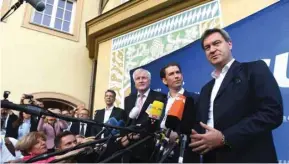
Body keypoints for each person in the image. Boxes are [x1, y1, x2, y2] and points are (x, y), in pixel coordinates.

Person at [189, 28, 283, 162]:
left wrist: (224, 138)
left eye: (216, 43)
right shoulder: (205, 89)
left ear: (229, 44)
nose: (212, 49)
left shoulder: (254, 69)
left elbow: (272, 113)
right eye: (207, 47)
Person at [120, 68, 166, 162]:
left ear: (149, 80)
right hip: (130, 147)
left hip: (148, 146)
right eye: (138, 78)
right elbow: (127, 121)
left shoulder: (160, 97)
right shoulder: (128, 99)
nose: (141, 81)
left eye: (144, 78)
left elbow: (156, 122)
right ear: (134, 82)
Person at [159, 63, 199, 163]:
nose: (176, 76)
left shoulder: (194, 99)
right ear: (164, 80)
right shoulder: (160, 101)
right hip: (160, 154)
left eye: (178, 72)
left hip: (184, 154)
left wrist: (178, 134)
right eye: (171, 74)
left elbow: (198, 126)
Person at [15, 132, 81, 163]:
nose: (43, 143)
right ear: (28, 150)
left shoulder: (47, 156)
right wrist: (81, 148)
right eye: (37, 143)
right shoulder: (33, 162)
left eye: (43, 140)